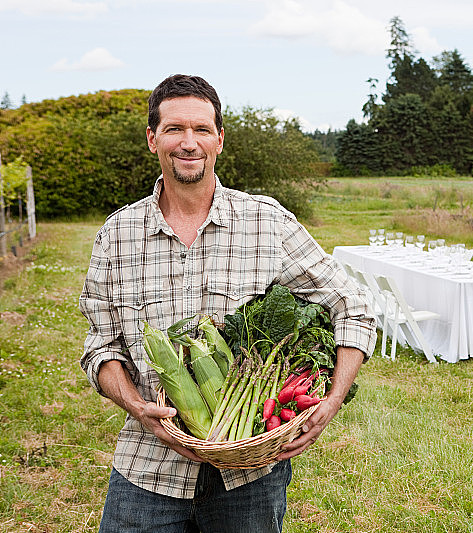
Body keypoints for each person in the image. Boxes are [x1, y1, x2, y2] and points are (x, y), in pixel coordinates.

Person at [79, 74, 377, 532]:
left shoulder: (267, 221)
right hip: (147, 463)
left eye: (201, 129)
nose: (188, 142)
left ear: (219, 139)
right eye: (175, 129)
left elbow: (353, 305)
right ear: (152, 138)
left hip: (250, 473)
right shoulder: (116, 235)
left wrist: (332, 401)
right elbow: (101, 349)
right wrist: (138, 407)